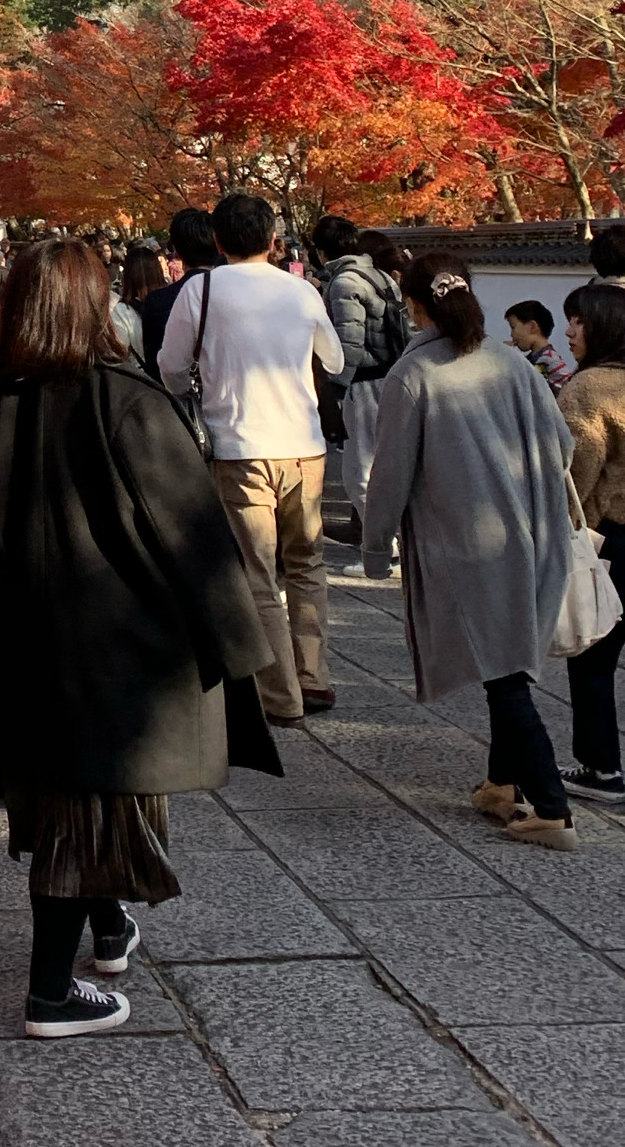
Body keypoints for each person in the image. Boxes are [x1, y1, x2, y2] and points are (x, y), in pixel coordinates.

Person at [0, 236, 277, 1036]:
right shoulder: (132, 401)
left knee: (66, 795)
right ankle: (49, 993)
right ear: (96, 304)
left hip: (9, 646)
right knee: (84, 801)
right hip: (117, 649)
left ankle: (109, 929)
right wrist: (238, 644)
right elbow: (193, 536)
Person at [363, 255, 578, 848]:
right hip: (533, 532)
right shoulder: (513, 361)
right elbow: (563, 444)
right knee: (505, 658)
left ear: (414, 305)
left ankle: (553, 810)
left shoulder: (415, 375)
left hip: (464, 542)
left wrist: (376, 548)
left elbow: (391, 474)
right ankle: (501, 783)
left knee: (503, 671)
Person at [157, 190, 345, 725]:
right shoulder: (301, 290)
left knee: (258, 571)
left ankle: (279, 695)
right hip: (305, 447)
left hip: (239, 445)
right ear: (271, 239)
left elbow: (170, 367)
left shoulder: (203, 291)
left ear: (218, 240)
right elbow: (332, 356)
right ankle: (314, 678)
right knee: (307, 562)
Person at [310, 216, 410, 572]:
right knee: (385, 466)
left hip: (363, 385)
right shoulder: (380, 276)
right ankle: (392, 543)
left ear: (322, 251)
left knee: (360, 473)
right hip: (391, 379)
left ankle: (383, 548)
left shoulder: (344, 283)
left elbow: (348, 346)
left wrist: (335, 389)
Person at [559, 281, 625, 800]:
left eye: (577, 321)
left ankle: (602, 768)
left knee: (594, 654)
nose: (569, 331)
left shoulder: (588, 389)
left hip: (612, 539)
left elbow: (575, 475)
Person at [135, 208, 218, 360]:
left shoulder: (158, 301)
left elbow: (156, 358)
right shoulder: (240, 295)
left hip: (174, 380)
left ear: (176, 250)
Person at [507, 299, 574, 396]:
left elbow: (568, 388)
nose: (511, 334)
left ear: (532, 326)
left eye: (513, 327)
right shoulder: (529, 360)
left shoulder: (551, 358)